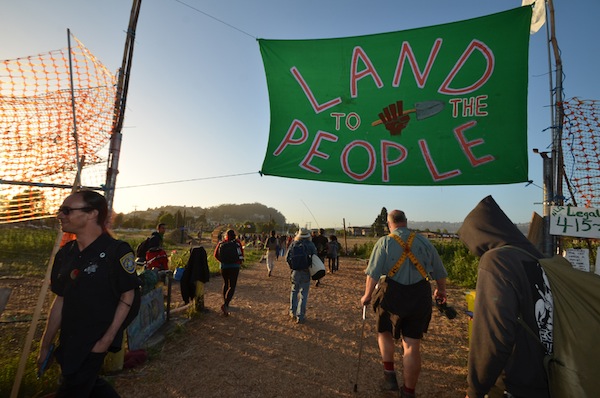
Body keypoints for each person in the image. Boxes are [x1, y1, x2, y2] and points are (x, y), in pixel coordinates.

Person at [37, 190, 140, 397]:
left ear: (92, 213)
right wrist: (45, 344)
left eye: (67, 211)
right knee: (88, 385)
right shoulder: (66, 254)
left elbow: (129, 296)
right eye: (60, 210)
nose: (60, 215)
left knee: (73, 387)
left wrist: (105, 341)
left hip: (96, 340)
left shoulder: (116, 251)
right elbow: (60, 300)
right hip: (70, 339)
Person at [458, 196, 553, 398]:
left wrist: (475, 389)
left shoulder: (497, 260)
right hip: (551, 376)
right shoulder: (538, 259)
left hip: (517, 383)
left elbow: (494, 336)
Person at [360, 210, 448, 397]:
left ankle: (389, 377)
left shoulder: (384, 242)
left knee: (384, 332)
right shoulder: (424, 241)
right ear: (406, 222)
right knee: (411, 345)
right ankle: (408, 392)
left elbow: (373, 274)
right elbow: (440, 271)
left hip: (391, 293)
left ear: (389, 224)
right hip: (419, 294)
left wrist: (367, 295)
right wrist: (441, 290)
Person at [286, 228, 317, 324]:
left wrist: (293, 266)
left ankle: (292, 312)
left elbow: (287, 258)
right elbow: (315, 257)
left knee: (294, 291)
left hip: (295, 271)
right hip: (306, 271)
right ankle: (300, 316)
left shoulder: (294, 243)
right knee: (304, 294)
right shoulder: (310, 245)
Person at [213, 229, 244, 316]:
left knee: (226, 283)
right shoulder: (237, 243)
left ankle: (225, 302)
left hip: (224, 267)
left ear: (226, 235)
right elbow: (241, 254)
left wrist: (222, 261)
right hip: (235, 266)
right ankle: (226, 304)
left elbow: (215, 255)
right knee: (232, 286)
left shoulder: (221, 243)